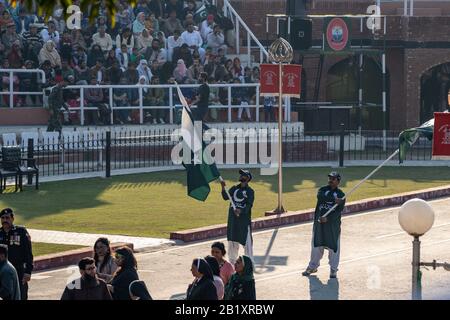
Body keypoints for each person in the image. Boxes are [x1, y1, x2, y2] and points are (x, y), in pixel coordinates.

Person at [302, 172, 346, 279]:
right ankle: (312, 266)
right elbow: (320, 197)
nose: (330, 180)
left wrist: (328, 218)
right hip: (319, 225)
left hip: (332, 227)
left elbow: (338, 212)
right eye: (330, 178)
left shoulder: (341, 195)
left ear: (338, 181)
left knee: (334, 247)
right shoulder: (322, 190)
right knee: (316, 246)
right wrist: (333, 200)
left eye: (333, 179)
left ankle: (333, 269)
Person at [220, 170, 255, 264]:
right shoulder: (234, 188)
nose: (241, 176)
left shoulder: (250, 191)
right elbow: (225, 197)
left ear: (247, 178)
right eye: (241, 175)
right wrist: (223, 187)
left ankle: (248, 266)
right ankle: (232, 266)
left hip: (244, 223)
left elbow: (249, 205)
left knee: (247, 246)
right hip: (233, 222)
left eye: (243, 175)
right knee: (232, 244)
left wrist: (241, 210)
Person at [0, 208, 34, 300]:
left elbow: (28, 253)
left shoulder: (21, 232)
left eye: (7, 218)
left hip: (19, 271)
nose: (5, 220)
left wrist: (28, 271)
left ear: (12, 218)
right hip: (3, 272)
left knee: (21, 296)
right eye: (2, 218)